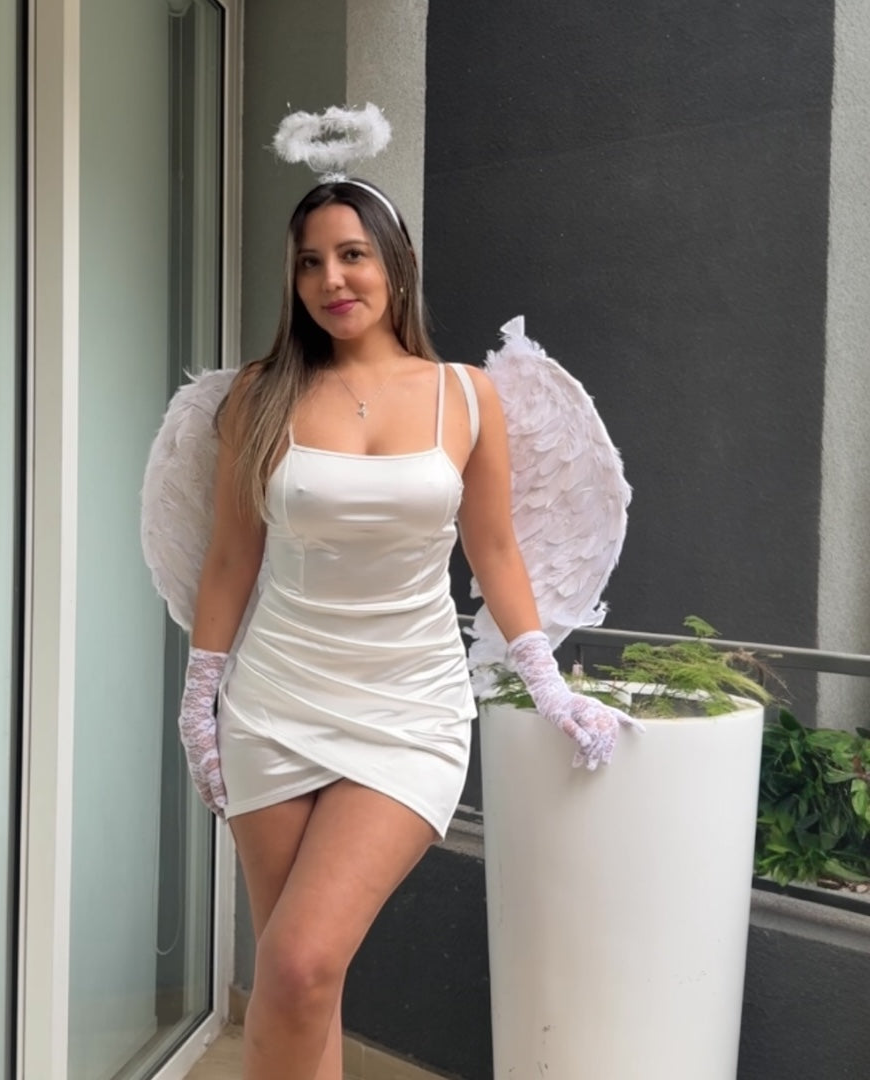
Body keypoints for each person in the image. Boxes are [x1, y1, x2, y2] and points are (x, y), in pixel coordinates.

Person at [177, 178, 639, 1080]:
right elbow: (231, 559)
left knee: (299, 963)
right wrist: (200, 704)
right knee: (301, 987)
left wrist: (547, 686)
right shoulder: (260, 395)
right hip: (273, 706)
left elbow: (495, 550)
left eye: (352, 254)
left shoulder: (466, 395)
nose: (331, 279)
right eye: (310, 262)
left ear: (397, 264)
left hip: (411, 712)